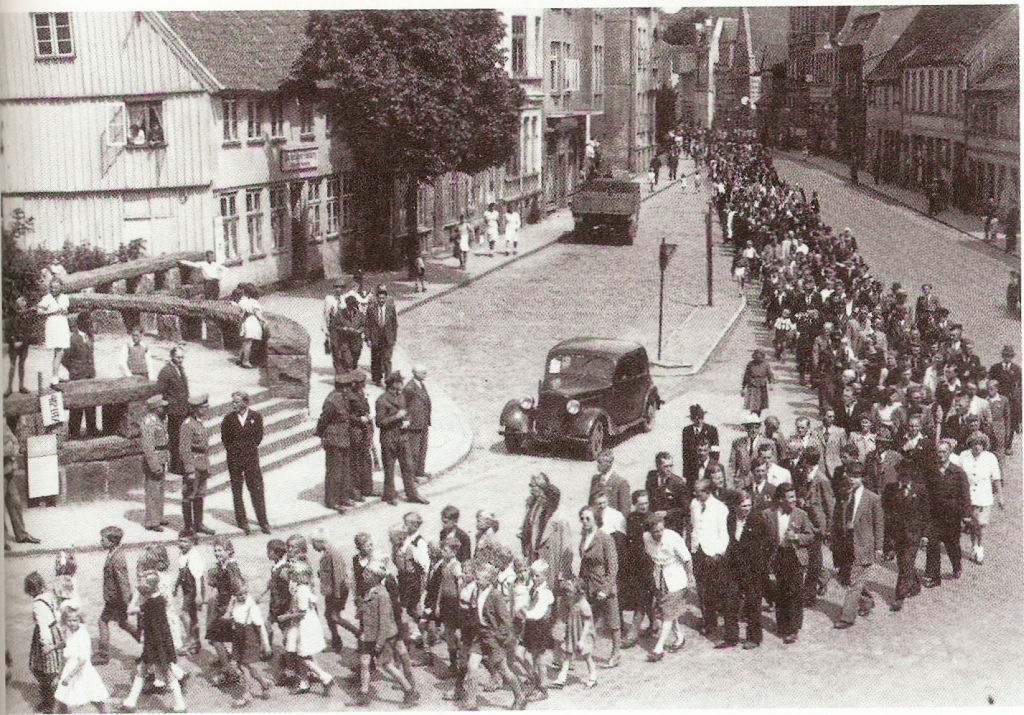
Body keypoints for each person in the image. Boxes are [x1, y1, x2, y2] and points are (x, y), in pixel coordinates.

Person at [120, 571, 187, 713]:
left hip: (156, 646)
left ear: (149, 587)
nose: (139, 587)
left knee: (165, 673)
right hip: (159, 644)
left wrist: (135, 598)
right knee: (143, 671)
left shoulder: (151, 604)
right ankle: (130, 701)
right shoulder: (159, 600)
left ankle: (180, 704)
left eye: (142, 584)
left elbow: (130, 610)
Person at [355, 559, 419, 707]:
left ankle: (409, 690)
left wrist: (379, 643)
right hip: (369, 635)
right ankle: (364, 694)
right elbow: (366, 613)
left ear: (376, 577)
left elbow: (384, 622)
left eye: (368, 573)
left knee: (387, 665)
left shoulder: (382, 595)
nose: (364, 575)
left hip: (381, 636)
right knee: (364, 662)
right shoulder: (368, 591)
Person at [832, 464, 884, 629]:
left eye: (855, 476)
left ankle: (847, 617)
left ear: (862, 478)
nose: (851, 479)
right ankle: (867, 600)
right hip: (846, 543)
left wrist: (879, 547)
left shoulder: (873, 498)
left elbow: (879, 524)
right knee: (846, 578)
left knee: (855, 581)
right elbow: (838, 518)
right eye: (850, 476)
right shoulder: (845, 495)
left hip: (863, 544)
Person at [765, 483, 815, 643]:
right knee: (781, 591)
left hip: (794, 556)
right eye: (790, 497)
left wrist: (797, 538)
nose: (794, 500)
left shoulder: (801, 514)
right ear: (780, 499)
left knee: (795, 592)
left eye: (794, 496)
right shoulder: (769, 514)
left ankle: (793, 628)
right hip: (777, 556)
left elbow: (810, 535)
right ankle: (782, 624)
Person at [689, 478, 736, 647]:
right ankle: (709, 622)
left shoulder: (719, 508)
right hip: (698, 552)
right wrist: (693, 546)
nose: (696, 493)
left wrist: (718, 554)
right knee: (702, 589)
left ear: (708, 492)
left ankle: (724, 625)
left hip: (713, 554)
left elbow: (723, 534)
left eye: (699, 490)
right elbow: (693, 526)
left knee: (717, 590)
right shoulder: (694, 504)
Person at [642, 512, 693, 661]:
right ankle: (679, 637)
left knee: (668, 612)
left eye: (660, 530)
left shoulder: (673, 538)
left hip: (676, 577)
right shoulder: (646, 538)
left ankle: (658, 648)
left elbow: (687, 559)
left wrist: (690, 578)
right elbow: (651, 556)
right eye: (655, 531)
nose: (658, 534)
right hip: (659, 578)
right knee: (667, 611)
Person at [725, 491, 773, 649]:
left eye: (749, 505)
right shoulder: (731, 519)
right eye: (743, 505)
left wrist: (761, 561)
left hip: (753, 569)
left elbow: (770, 541)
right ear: (735, 506)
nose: (746, 509)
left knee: (753, 602)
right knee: (731, 601)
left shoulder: (757, 520)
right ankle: (731, 637)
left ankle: (754, 638)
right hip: (734, 568)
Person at [375, 371, 428, 505]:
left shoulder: (401, 397)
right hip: (389, 438)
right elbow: (379, 422)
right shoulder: (382, 400)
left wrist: (407, 420)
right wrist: (396, 417)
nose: (402, 385)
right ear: (393, 384)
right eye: (400, 382)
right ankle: (389, 495)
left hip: (403, 437)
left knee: (408, 467)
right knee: (389, 468)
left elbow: (407, 412)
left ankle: (412, 494)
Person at [882, 460, 928, 612]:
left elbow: (926, 514)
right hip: (896, 534)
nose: (904, 478)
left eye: (907, 475)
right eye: (901, 475)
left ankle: (899, 597)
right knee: (903, 563)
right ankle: (914, 584)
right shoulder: (890, 489)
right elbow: (886, 512)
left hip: (913, 534)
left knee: (907, 562)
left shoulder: (920, 491)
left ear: (912, 476)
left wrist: (925, 534)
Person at [220, 391, 269, 534]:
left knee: (256, 490)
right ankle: (242, 521)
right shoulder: (228, 419)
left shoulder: (256, 417)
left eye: (236, 402)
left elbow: (258, 437)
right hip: (234, 459)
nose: (233, 404)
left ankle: (263, 521)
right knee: (237, 490)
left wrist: (248, 449)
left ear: (245, 403)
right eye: (233, 402)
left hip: (251, 459)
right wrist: (234, 451)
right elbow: (225, 438)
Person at [577, 505, 620, 668]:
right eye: (582, 518)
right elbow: (584, 562)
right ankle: (588, 648)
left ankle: (616, 653)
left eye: (588, 518)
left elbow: (613, 566)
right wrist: (580, 583)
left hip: (603, 583)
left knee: (613, 621)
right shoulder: (584, 536)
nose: (584, 521)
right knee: (589, 618)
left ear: (595, 519)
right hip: (589, 585)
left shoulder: (605, 538)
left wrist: (606, 589)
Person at [958, 431, 1003, 565]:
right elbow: (958, 475)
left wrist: (1000, 496)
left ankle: (980, 546)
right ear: (970, 445)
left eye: (980, 444)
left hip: (984, 495)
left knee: (981, 524)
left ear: (984, 445)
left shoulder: (990, 458)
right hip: (969, 495)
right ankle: (974, 547)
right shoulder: (964, 456)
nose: (977, 447)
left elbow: (996, 478)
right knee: (973, 523)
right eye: (974, 444)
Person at [55, 603, 109, 713]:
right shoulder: (69, 631)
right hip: (69, 666)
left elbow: (83, 660)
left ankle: (105, 713)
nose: (71, 623)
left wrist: (69, 676)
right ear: (65, 620)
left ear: (80, 620)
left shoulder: (83, 635)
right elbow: (68, 642)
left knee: (95, 697)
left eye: (75, 620)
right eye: (69, 620)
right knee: (62, 697)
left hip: (82, 670)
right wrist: (57, 646)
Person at [229, 580, 273, 707]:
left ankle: (246, 695)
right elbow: (233, 617)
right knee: (244, 666)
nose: (242, 596)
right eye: (239, 594)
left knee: (244, 666)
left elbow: (260, 627)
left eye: (244, 593)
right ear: (234, 595)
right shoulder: (234, 603)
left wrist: (266, 645)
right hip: (238, 637)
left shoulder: (251, 606)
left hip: (249, 638)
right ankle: (264, 683)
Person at [315, 372, 355, 511]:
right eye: (348, 386)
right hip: (334, 439)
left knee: (345, 470)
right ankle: (332, 501)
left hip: (344, 438)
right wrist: (322, 435)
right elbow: (323, 420)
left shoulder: (343, 397)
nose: (350, 389)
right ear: (342, 387)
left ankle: (343, 497)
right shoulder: (331, 401)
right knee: (334, 471)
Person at [177, 393, 213, 537]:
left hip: (202, 463)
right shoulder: (187, 425)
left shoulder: (199, 422)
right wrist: (189, 470)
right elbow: (184, 449)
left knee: (200, 494)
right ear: (196, 409)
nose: (206, 409)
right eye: (203, 407)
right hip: (193, 464)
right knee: (189, 496)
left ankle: (199, 524)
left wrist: (207, 466)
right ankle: (188, 527)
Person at [552, 576, 596, 689]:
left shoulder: (583, 604)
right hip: (572, 633)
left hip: (582, 634)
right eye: (566, 592)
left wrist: (582, 639)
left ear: (578, 592)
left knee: (587, 656)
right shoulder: (571, 602)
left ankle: (593, 676)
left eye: (569, 592)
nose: (567, 594)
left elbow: (587, 623)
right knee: (567, 655)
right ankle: (562, 678)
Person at [63, 315, 99, 438]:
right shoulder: (73, 339)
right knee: (76, 405)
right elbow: (64, 358)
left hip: (89, 375)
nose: (92, 325)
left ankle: (92, 429)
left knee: (91, 403)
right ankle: (74, 432)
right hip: (77, 377)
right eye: (89, 322)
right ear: (82, 324)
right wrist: (74, 369)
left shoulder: (90, 337)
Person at [4, 421, 39, 546]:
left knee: (15, 503)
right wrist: (9, 450)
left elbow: (13, 439)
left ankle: (21, 534)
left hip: (8, 469)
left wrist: (12, 450)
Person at [156, 346, 190, 476]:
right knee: (175, 439)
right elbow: (160, 391)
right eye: (178, 357)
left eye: (182, 357)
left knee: (184, 439)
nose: (180, 360)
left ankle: (183, 465)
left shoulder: (180, 369)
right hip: (174, 411)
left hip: (183, 409)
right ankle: (176, 467)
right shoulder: (166, 371)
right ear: (172, 357)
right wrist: (167, 405)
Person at [140, 395, 170, 532]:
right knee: (152, 490)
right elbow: (148, 446)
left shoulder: (159, 419)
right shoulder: (149, 422)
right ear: (156, 408)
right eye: (162, 406)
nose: (164, 408)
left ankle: (158, 516)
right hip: (154, 459)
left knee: (160, 489)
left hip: (162, 457)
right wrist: (154, 464)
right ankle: (151, 521)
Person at [173, 534, 205, 655]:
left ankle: (190, 640)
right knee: (192, 616)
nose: (182, 544)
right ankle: (196, 643)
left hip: (194, 589)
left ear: (192, 542)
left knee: (183, 614)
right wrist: (176, 586)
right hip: (187, 588)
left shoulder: (194, 557)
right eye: (180, 541)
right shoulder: (182, 554)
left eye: (185, 542)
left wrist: (198, 595)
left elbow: (197, 578)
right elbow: (181, 573)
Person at [645, 451, 690, 536]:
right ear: (658, 466)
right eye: (665, 466)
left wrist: (667, 513)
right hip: (655, 526)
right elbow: (649, 500)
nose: (669, 469)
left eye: (671, 466)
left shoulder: (678, 483)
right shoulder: (651, 479)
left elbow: (685, 509)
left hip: (672, 527)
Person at [36, 277, 70, 387]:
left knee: (59, 352)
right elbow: (39, 311)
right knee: (59, 352)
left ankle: (56, 376)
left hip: (62, 324)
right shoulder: (47, 298)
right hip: (53, 325)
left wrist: (64, 311)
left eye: (56, 287)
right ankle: (55, 379)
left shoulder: (65, 297)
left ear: (61, 287)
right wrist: (52, 311)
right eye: (52, 287)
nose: (54, 289)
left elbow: (66, 310)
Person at [346, 370, 374, 501]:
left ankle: (367, 489)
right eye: (362, 382)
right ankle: (355, 490)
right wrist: (359, 419)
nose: (364, 384)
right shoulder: (348, 396)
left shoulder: (361, 393)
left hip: (364, 431)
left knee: (366, 460)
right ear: (355, 383)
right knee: (355, 461)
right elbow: (345, 415)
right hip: (354, 431)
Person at [403, 365, 432, 484]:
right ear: (416, 373)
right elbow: (403, 404)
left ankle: (420, 471)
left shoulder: (421, 384)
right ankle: (412, 474)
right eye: (423, 373)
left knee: (422, 448)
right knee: (413, 451)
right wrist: (406, 419)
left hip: (423, 421)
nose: (426, 374)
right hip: (414, 424)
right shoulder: (409, 388)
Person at [365, 285, 399, 386]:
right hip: (375, 338)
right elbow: (367, 325)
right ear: (376, 298)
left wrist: (394, 338)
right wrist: (368, 339)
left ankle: (388, 381)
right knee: (376, 359)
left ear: (386, 298)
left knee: (387, 359)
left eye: (383, 298)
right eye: (379, 298)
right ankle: (377, 378)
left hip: (387, 338)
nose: (381, 300)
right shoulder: (371, 309)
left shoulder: (391, 308)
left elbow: (394, 324)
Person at [988, 345, 1021, 444]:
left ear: (1012, 357)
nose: (1008, 357)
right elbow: (990, 382)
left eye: (1010, 355)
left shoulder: (1016, 369)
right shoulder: (995, 368)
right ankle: (995, 441)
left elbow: (1019, 385)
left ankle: (1008, 444)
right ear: (1003, 355)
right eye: (1006, 355)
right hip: (998, 398)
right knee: (997, 419)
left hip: (1011, 399)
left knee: (1010, 420)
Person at [681, 404, 719, 482]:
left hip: (707, 467)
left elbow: (715, 450)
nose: (699, 421)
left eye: (701, 418)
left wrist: (712, 465)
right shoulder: (687, 430)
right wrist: (685, 472)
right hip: (692, 468)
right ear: (692, 419)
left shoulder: (711, 430)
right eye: (695, 418)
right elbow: (685, 452)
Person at [588, 449, 631, 516]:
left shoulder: (620, 483)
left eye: (600, 462)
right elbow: (590, 504)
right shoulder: (595, 479)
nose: (597, 465)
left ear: (609, 464)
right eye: (597, 462)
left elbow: (625, 511)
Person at [329, 295, 365, 374]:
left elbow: (365, 325)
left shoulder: (360, 315)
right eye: (350, 305)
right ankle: (348, 376)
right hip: (344, 340)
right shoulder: (340, 314)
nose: (352, 307)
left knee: (355, 360)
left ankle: (352, 372)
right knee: (348, 360)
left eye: (354, 305)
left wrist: (359, 330)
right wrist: (344, 329)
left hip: (356, 341)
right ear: (347, 305)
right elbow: (333, 326)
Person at [5, 295, 33, 396]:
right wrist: (14, 341)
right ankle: (9, 388)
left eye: (23, 301)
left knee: (22, 365)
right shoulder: (12, 315)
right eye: (20, 302)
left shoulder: (28, 316)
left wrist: (23, 340)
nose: (22, 303)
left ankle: (21, 386)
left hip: (24, 344)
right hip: (14, 345)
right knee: (12, 366)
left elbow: (28, 330)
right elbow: (8, 329)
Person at [728, 413, 764, 488]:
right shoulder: (738, 443)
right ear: (746, 429)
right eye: (750, 428)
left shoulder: (766, 443)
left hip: (760, 481)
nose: (753, 430)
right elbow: (732, 465)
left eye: (756, 427)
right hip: (742, 482)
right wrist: (732, 481)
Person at [233, 285, 264, 369]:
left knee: (245, 341)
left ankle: (240, 358)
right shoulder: (254, 302)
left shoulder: (244, 301)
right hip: (252, 322)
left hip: (245, 321)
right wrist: (264, 320)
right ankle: (245, 361)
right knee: (248, 342)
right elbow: (257, 313)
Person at [742, 349, 773, 416]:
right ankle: (753, 417)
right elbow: (746, 376)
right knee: (753, 403)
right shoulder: (750, 364)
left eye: (760, 357)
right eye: (757, 357)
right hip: (752, 385)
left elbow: (769, 374)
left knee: (761, 404)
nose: (758, 358)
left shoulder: (766, 364)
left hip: (762, 385)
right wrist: (743, 387)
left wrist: (770, 383)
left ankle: (758, 416)